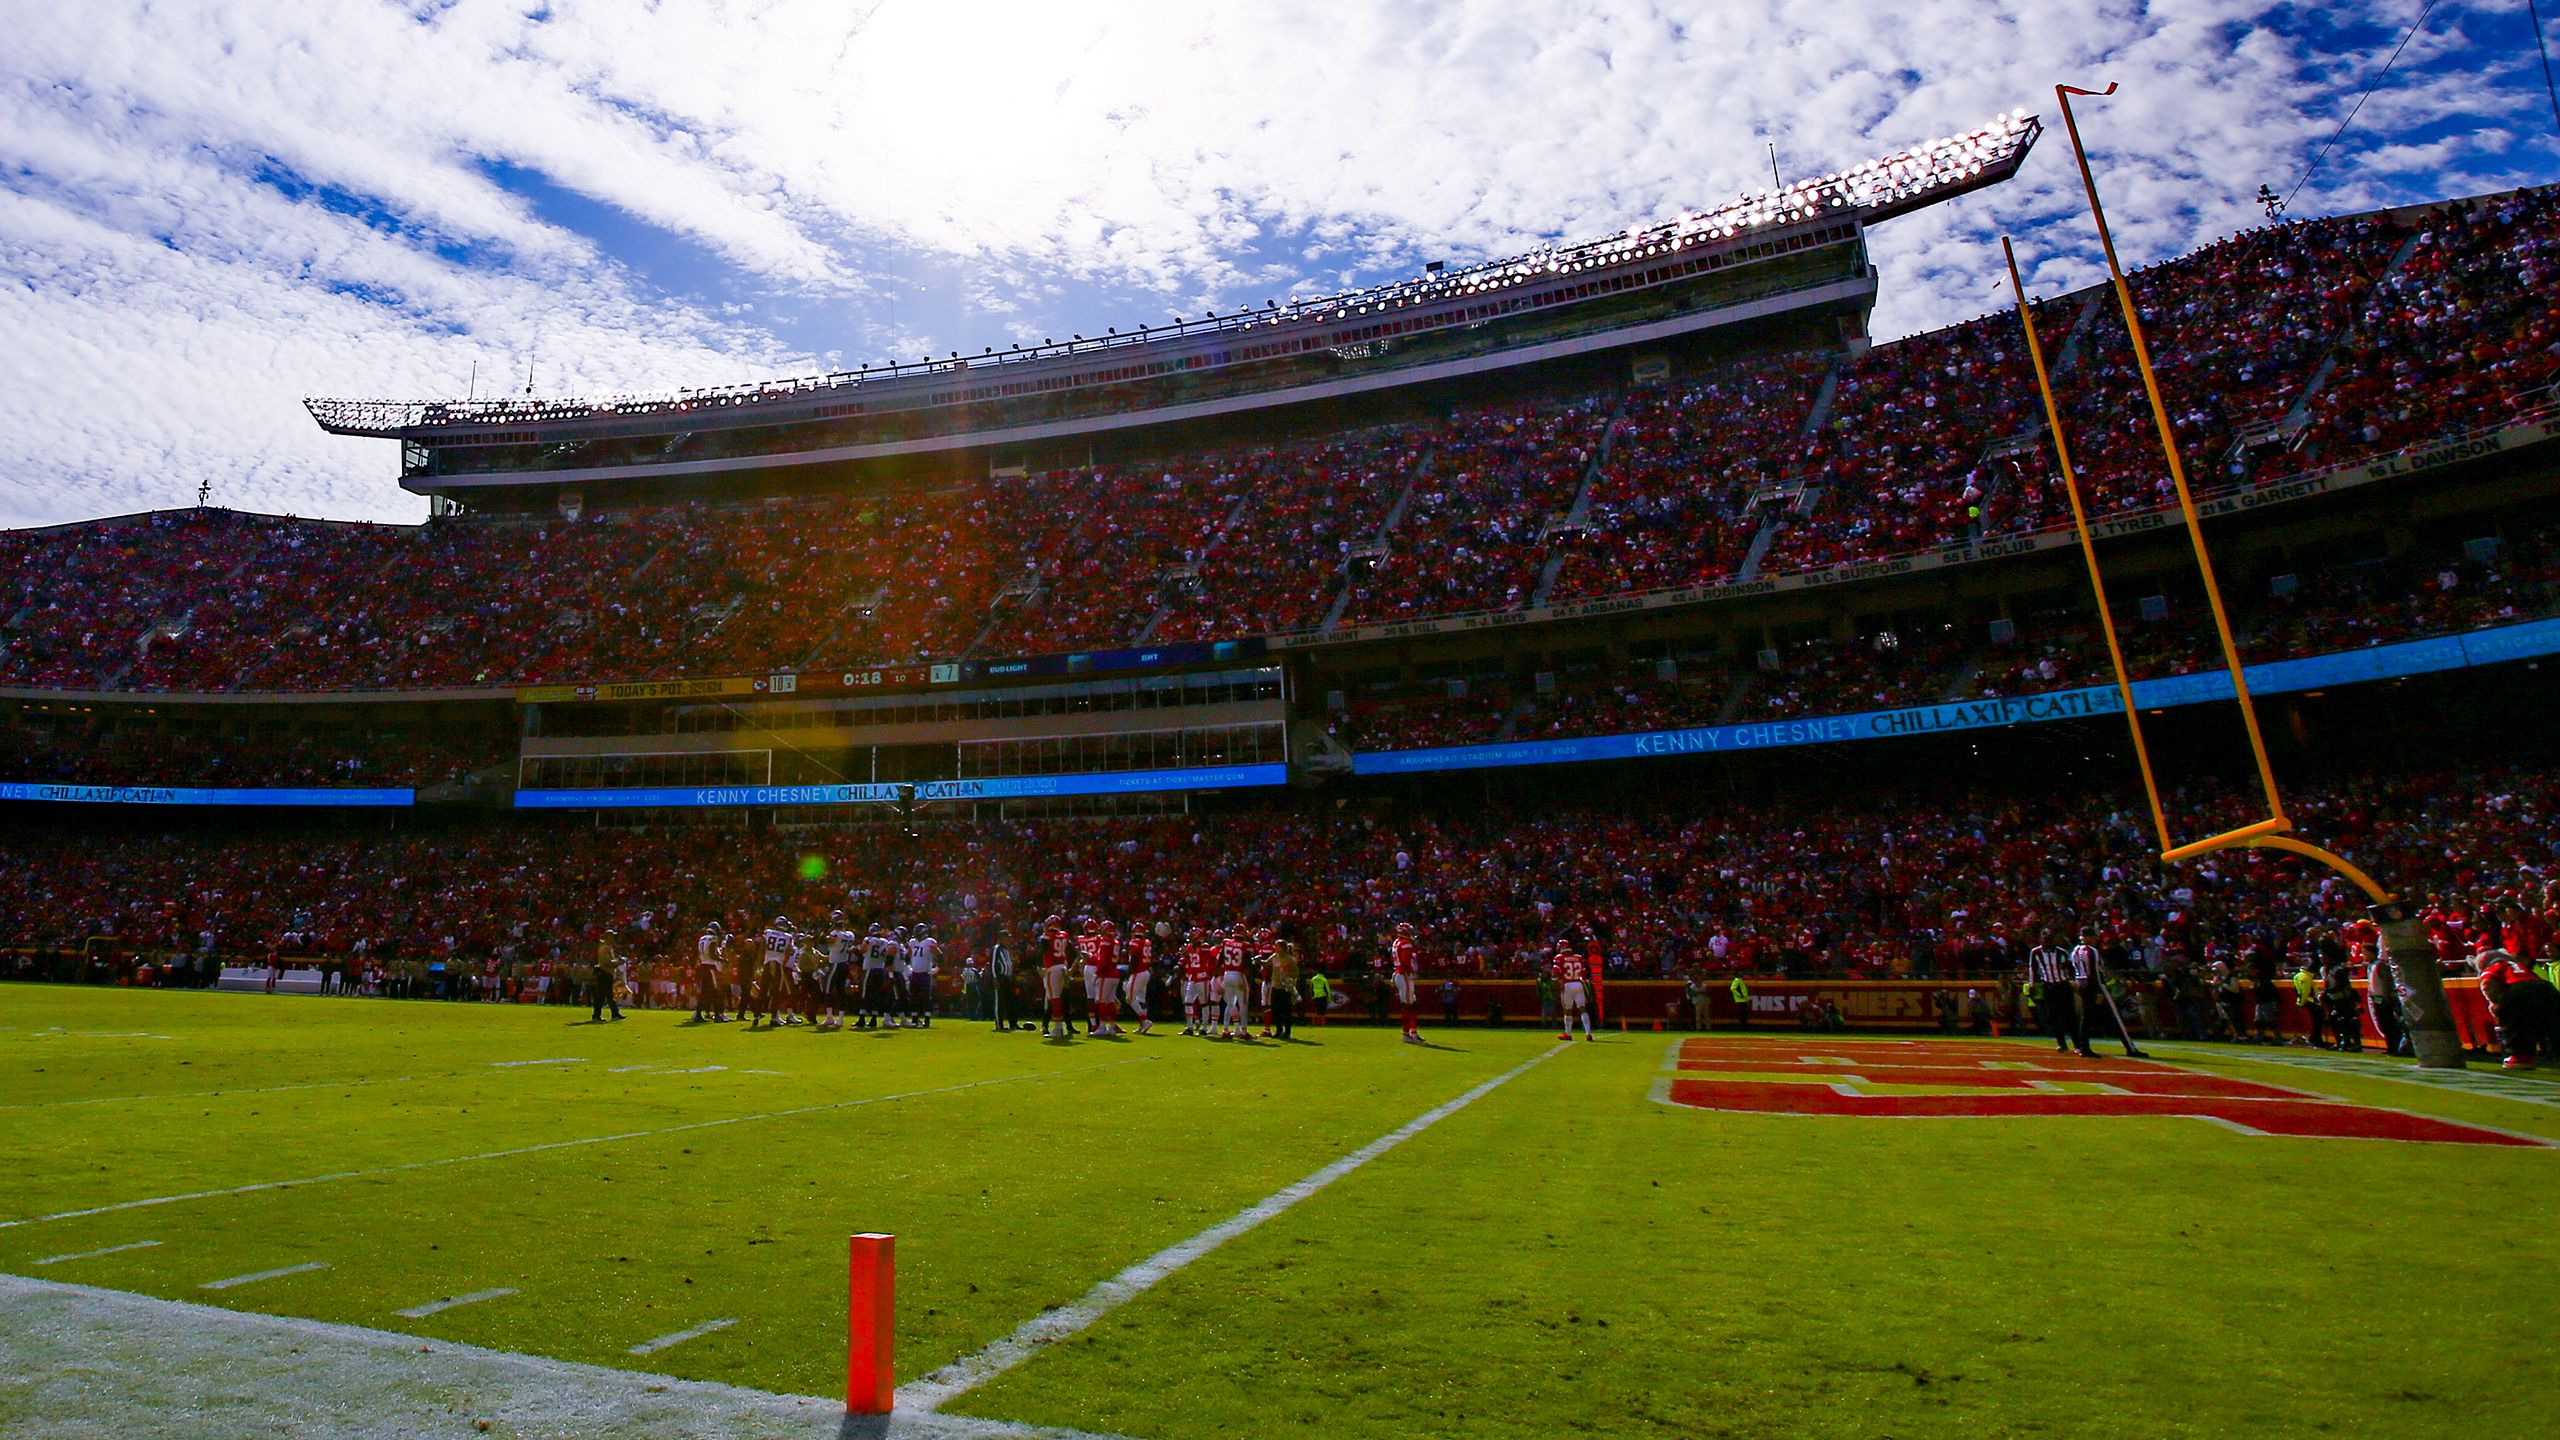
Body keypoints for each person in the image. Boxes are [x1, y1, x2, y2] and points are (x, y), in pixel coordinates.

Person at [2027, 932, 2087, 1056]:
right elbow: (2032, 968)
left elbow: (2072, 969)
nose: (2047, 942)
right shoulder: (2036, 952)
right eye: (2045, 939)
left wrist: (2070, 974)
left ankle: (2077, 1044)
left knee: (2070, 1015)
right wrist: (2032, 984)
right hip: (2048, 985)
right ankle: (2061, 1042)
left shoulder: (2062, 952)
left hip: (2062, 985)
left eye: (2049, 939)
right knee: (2053, 1016)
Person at [1389, 922, 1423, 1044]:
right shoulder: (1406, 944)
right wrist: (1410, 972)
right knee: (1407, 1005)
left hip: (1398, 974)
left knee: (1411, 1003)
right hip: (1404, 975)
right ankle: (1406, 1034)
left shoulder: (1396, 942)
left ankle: (1413, 1032)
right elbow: (1405, 962)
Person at [1554, 940, 1593, 1042]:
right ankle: (1588, 1033)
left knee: (1567, 1010)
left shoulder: (1559, 958)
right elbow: (1584, 973)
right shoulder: (1578, 957)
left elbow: (1555, 971)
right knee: (1582, 1009)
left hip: (1567, 984)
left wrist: (1559, 981)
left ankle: (1568, 1033)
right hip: (1578, 983)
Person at [1267, 934, 1301, 1040]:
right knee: (1275, 1010)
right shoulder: (1274, 957)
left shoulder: (1289, 959)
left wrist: (1288, 977)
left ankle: (1287, 1032)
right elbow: (1266, 963)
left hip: (1284, 988)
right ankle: (1279, 1030)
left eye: (1277, 946)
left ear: (1282, 947)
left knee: (1286, 1011)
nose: (1275, 947)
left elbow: (1296, 973)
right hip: (1275, 986)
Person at [693, 921, 727, 1022]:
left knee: (704, 992)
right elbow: (712, 955)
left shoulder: (701, 938)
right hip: (710, 967)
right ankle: (717, 1015)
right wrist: (723, 960)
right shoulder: (713, 939)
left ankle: (698, 1014)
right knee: (715, 991)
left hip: (703, 965)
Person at [987, 931, 1019, 1031]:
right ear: (1000, 938)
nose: (1008, 940)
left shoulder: (1006, 950)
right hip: (1001, 978)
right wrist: (995, 977)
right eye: (1006, 938)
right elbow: (993, 964)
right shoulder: (997, 949)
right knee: (999, 1002)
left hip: (1008, 978)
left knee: (1011, 1002)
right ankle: (999, 1025)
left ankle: (1013, 1023)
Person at [588, 933, 623, 1022]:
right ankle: (612, 1014)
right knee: (605, 995)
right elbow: (606, 962)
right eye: (612, 936)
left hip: (606, 974)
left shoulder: (607, 947)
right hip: (604, 973)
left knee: (603, 996)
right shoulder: (605, 948)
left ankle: (599, 1015)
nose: (614, 938)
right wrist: (618, 962)